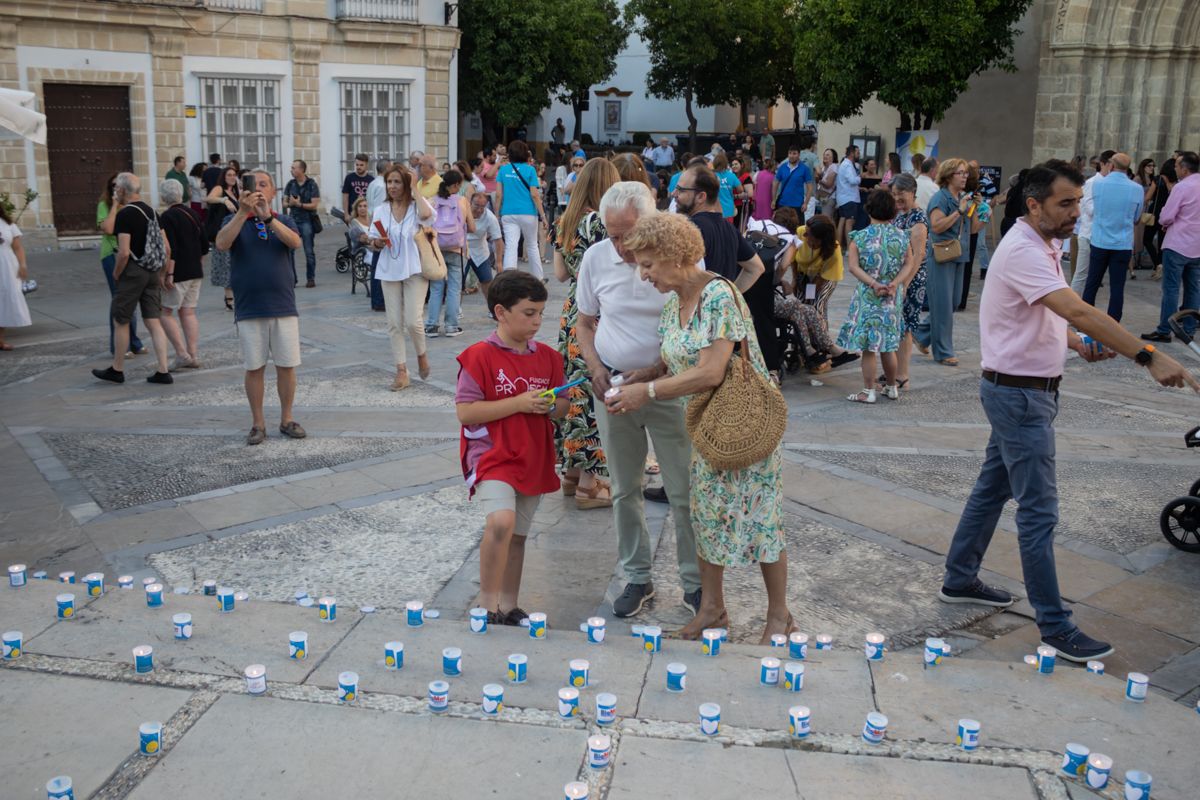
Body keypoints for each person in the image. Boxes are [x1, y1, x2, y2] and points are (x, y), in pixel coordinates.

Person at [939, 158, 1199, 662]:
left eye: (1079, 201)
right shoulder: (1023, 249)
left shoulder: (1043, 243)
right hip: (1019, 397)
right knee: (1039, 513)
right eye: (1066, 203)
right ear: (1034, 205)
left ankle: (959, 578)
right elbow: (1077, 308)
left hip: (1022, 392)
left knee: (991, 491)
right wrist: (1148, 355)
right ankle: (1055, 627)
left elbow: (1045, 313)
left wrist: (1075, 342)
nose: (1076, 211)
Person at [607, 211, 796, 643]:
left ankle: (780, 615)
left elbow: (711, 371)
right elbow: (678, 356)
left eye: (647, 264)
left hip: (742, 424)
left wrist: (647, 392)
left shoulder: (718, 295)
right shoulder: (675, 304)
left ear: (674, 255)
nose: (643, 275)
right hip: (706, 428)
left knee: (762, 519)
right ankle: (712, 609)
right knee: (707, 518)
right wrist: (647, 372)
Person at [576, 181, 702, 618]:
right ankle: (636, 575)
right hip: (612, 385)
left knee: (683, 490)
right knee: (624, 487)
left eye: (627, 235)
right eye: (612, 235)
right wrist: (595, 367)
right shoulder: (597, 258)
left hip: (668, 388)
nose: (620, 246)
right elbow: (584, 322)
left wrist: (653, 373)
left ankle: (695, 583)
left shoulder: (679, 259)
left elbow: (693, 326)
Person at [455, 271, 567, 624]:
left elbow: (564, 407)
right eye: (529, 313)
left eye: (540, 313)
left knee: (518, 535)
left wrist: (550, 405)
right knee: (501, 522)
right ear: (501, 312)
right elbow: (466, 412)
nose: (537, 321)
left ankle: (509, 604)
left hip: (533, 455)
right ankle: (487, 605)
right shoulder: (478, 357)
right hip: (492, 454)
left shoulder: (549, 358)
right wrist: (518, 403)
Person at [214, 169, 306, 445]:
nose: (258, 189)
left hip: (283, 304)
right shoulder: (233, 219)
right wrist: (243, 213)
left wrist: (268, 218)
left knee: (287, 365)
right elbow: (221, 243)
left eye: (264, 185)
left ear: (273, 192)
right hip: (249, 306)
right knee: (254, 367)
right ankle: (258, 423)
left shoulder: (283, 219)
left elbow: (295, 242)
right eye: (253, 185)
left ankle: (287, 418)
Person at [553, 158, 620, 509]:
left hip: (571, 311)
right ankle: (589, 486)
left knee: (573, 389)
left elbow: (560, 273)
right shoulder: (600, 222)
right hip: (596, 312)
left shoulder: (565, 220)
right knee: (593, 393)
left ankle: (571, 474)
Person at [675, 164, 773, 376]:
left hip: (695, 328)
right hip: (719, 328)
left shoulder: (690, 230)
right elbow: (756, 268)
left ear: (701, 196)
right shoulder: (729, 228)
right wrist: (726, 296)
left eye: (681, 190)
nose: (674, 193)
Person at [91, 173, 173, 385]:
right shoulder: (152, 211)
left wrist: (116, 272)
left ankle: (117, 369)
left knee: (121, 319)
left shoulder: (125, 214)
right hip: (153, 271)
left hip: (133, 271)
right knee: (153, 321)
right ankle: (163, 370)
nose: (115, 191)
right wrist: (162, 273)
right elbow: (166, 248)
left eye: (116, 188)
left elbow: (124, 252)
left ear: (121, 190)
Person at [838, 189, 915, 403]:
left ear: (869, 209)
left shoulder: (860, 237)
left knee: (868, 348)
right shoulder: (902, 236)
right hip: (892, 297)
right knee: (888, 346)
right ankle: (891, 387)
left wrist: (873, 283)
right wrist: (895, 283)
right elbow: (909, 263)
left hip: (868, 297)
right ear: (892, 211)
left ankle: (868, 391)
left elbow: (853, 267)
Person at [368, 166, 436, 391]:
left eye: (397, 182)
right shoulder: (381, 209)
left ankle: (421, 354)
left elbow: (427, 216)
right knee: (394, 323)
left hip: (415, 268)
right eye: (389, 182)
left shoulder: (416, 207)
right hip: (389, 269)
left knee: (413, 321)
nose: (392, 186)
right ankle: (401, 371)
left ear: (406, 184)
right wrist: (376, 242)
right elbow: (372, 239)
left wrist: (415, 187)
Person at [914, 158, 971, 367]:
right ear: (948, 176)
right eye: (960, 173)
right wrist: (959, 211)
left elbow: (972, 228)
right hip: (941, 255)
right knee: (943, 306)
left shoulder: (962, 198)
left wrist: (982, 210)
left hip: (959, 254)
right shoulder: (940, 198)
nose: (965, 177)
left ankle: (920, 334)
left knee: (952, 303)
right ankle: (944, 352)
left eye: (966, 173)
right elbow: (936, 226)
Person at [1143, 151, 1200, 342]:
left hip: (1178, 244)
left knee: (1171, 289)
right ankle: (1189, 329)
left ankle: (1165, 329)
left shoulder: (1181, 187)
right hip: (1197, 245)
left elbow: (1166, 216)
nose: (1175, 169)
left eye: (1176, 166)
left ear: (1184, 168)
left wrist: (1164, 222)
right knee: (1193, 289)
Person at [1081, 152, 1143, 321]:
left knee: (1092, 283)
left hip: (1100, 240)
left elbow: (1094, 209)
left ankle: (1085, 322)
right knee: (1117, 287)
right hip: (1122, 243)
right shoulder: (1136, 189)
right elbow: (1137, 218)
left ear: (1112, 166)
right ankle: (1113, 323)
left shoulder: (1098, 184)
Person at [156, 179, 205, 370]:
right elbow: (204, 244)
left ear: (163, 197)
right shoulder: (193, 213)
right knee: (188, 311)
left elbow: (171, 248)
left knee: (164, 312)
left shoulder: (167, 217)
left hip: (178, 272)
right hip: (195, 270)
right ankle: (193, 354)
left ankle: (182, 354)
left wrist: (168, 274)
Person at [97, 173, 147, 356]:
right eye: (113, 186)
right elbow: (108, 229)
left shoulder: (133, 206)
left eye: (118, 186)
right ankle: (120, 347)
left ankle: (133, 341)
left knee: (130, 299)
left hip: (131, 255)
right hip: (112, 254)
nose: (116, 189)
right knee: (119, 299)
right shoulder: (104, 205)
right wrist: (115, 206)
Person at [426, 169, 476, 338]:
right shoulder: (462, 201)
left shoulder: (432, 201)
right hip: (457, 250)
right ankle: (451, 326)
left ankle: (432, 326)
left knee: (436, 288)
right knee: (454, 289)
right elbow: (472, 227)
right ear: (455, 185)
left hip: (437, 250)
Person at [891, 174, 929, 389]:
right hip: (900, 278)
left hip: (911, 280)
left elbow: (918, 255)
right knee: (898, 326)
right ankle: (895, 370)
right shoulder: (901, 215)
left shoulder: (918, 220)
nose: (897, 199)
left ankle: (902, 375)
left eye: (901, 194)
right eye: (894, 194)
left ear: (913, 192)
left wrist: (905, 283)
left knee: (905, 327)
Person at [495, 140, 547, 279]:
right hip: (528, 213)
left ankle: (509, 278)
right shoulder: (530, 170)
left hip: (508, 212)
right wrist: (543, 215)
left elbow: (499, 194)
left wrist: (496, 213)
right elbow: (535, 195)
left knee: (511, 245)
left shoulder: (503, 170)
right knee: (532, 245)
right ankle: (538, 278)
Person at [1068, 150, 1112, 293]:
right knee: (1081, 274)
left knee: (1095, 276)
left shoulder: (1110, 184)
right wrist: (1110, 208)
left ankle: (1086, 301)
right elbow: (1089, 209)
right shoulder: (1092, 183)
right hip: (1088, 234)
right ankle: (1073, 301)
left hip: (1102, 235)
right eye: (1112, 164)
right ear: (1104, 164)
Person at [206, 165, 240, 311]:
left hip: (235, 233)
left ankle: (234, 296)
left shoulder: (236, 192)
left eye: (234, 175)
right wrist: (224, 200)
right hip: (222, 233)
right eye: (229, 175)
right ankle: (229, 299)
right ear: (224, 177)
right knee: (226, 266)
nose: (232, 177)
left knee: (234, 265)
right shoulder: (220, 189)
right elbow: (209, 198)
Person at [284, 159, 321, 288]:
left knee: (309, 251)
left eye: (294, 168)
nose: (291, 170)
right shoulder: (290, 184)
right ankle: (292, 279)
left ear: (301, 170)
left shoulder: (311, 184)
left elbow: (314, 204)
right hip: (292, 220)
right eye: (292, 168)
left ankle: (311, 278)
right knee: (290, 251)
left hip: (307, 221)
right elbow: (284, 203)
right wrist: (290, 203)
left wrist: (299, 204)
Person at [0, 202, 32, 350]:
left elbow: (18, 247)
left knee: (5, 301)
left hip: (7, 267)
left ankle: (0, 340)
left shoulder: (8, 224)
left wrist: (22, 265)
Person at [466, 190, 502, 302]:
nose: (479, 210)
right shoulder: (462, 212)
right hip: (462, 249)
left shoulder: (490, 217)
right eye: (476, 205)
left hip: (480, 250)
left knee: (487, 280)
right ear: (470, 203)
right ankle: (456, 309)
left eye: (483, 206)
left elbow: (498, 239)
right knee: (457, 283)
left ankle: (492, 306)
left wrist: (499, 261)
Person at [366, 158, 390, 312]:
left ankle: (377, 300)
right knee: (379, 266)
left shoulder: (373, 183)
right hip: (380, 227)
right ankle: (379, 300)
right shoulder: (382, 186)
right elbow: (380, 210)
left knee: (376, 266)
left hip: (374, 225)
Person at [1133, 158, 1160, 275]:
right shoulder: (1138, 179)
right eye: (1149, 165)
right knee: (1138, 236)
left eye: (1153, 166)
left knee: (1146, 236)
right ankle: (1135, 262)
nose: (1151, 168)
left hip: (1149, 210)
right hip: (1141, 209)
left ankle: (1144, 261)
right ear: (1143, 166)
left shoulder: (1153, 179)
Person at [773, 145, 813, 221]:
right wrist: (773, 199)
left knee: (797, 227)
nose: (791, 156)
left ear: (799, 155)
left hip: (797, 204)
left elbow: (810, 187)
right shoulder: (782, 167)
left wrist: (806, 203)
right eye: (790, 153)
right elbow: (775, 183)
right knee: (781, 226)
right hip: (783, 203)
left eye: (794, 153)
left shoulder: (804, 168)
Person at [835, 145, 863, 248]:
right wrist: (860, 177)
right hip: (849, 198)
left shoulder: (846, 164)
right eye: (857, 153)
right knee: (850, 222)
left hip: (843, 197)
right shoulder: (847, 165)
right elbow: (852, 180)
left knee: (842, 221)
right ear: (852, 153)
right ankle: (849, 247)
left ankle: (839, 246)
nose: (859, 155)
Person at [709, 153, 741, 224]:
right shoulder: (731, 175)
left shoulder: (711, 175)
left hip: (714, 210)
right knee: (728, 229)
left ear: (715, 163)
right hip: (729, 209)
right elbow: (740, 190)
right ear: (726, 163)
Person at [751, 158, 776, 222]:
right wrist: (774, 200)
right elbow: (774, 191)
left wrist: (754, 198)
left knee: (758, 218)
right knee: (767, 219)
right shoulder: (774, 177)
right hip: (768, 200)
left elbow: (755, 187)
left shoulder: (758, 173)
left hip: (758, 199)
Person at [816, 148, 838, 218]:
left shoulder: (833, 167)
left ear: (833, 157)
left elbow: (829, 184)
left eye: (828, 155)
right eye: (824, 155)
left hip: (829, 198)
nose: (825, 156)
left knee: (826, 218)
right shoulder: (824, 168)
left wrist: (819, 180)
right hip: (823, 198)